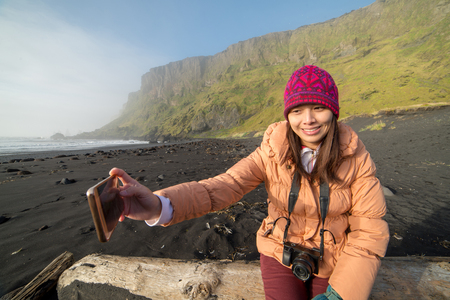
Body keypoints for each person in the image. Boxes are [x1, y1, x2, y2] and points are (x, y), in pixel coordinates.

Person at [110, 65, 390, 300]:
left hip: (332, 256)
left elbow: (369, 232)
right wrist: (159, 205)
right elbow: (225, 185)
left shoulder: (356, 158)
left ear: (333, 111)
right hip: (279, 249)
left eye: (318, 107)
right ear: (287, 114)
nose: (308, 120)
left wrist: (340, 296)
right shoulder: (272, 149)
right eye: (297, 110)